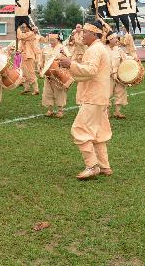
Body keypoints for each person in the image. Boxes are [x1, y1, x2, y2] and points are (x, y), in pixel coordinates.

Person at [58, 21, 113, 180]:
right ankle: (104, 166)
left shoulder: (95, 49)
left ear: (95, 35)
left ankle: (92, 166)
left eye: (86, 32)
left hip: (93, 97)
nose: (82, 34)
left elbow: (91, 70)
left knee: (80, 129)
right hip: (99, 96)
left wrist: (71, 64)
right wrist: (72, 64)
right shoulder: (97, 48)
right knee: (98, 132)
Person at [41, 34, 69, 118]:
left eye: (53, 40)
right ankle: (50, 109)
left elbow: (68, 58)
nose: (51, 41)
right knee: (47, 92)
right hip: (48, 74)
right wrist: (41, 66)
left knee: (59, 91)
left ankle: (60, 110)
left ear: (58, 39)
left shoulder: (62, 48)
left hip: (58, 73)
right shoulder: (46, 48)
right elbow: (42, 59)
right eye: (50, 40)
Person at [107, 33, 129, 119]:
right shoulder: (104, 49)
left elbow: (125, 58)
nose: (117, 40)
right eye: (115, 38)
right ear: (109, 39)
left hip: (118, 75)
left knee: (120, 92)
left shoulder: (119, 49)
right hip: (107, 75)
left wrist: (133, 59)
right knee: (107, 93)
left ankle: (117, 111)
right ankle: (107, 111)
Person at [17, 22, 40, 95]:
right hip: (24, 56)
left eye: (25, 27)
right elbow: (21, 44)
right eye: (23, 27)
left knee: (30, 72)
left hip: (29, 56)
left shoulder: (31, 34)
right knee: (23, 72)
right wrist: (19, 51)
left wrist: (17, 27)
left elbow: (20, 36)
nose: (24, 28)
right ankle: (26, 88)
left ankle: (36, 89)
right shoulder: (26, 34)